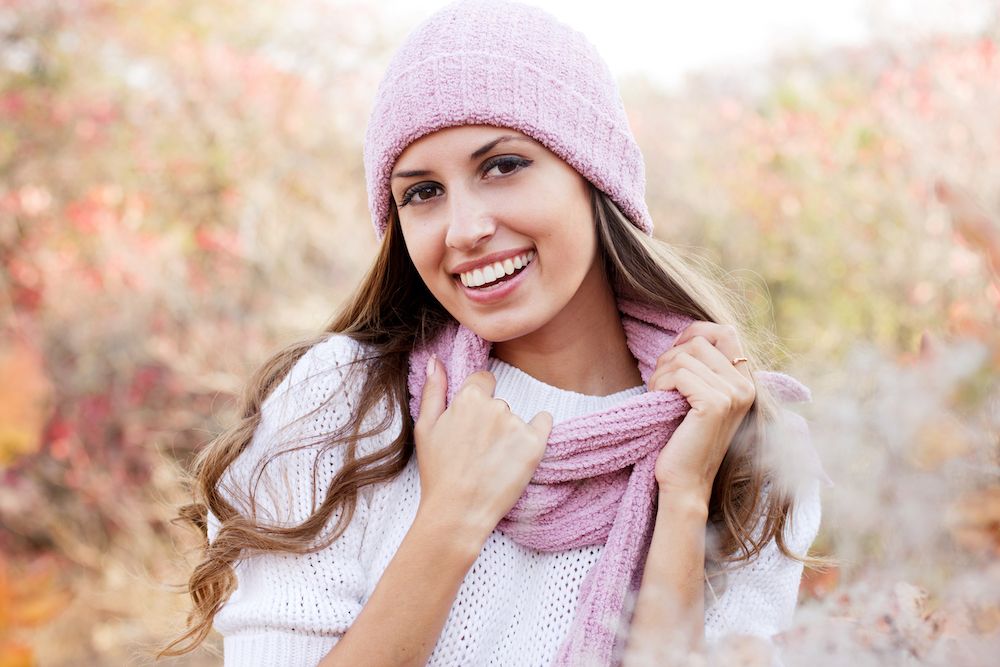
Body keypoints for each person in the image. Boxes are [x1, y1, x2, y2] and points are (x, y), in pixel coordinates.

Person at [161, 0, 826, 665]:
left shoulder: (746, 446)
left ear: (595, 176)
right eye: (422, 192)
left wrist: (684, 498)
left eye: (502, 166)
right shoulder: (340, 404)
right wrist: (450, 519)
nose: (464, 228)